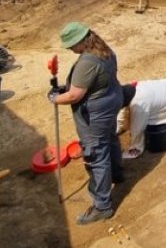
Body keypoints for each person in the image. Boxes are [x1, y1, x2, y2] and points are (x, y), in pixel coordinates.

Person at [49, 22, 124, 225]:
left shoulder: (87, 62)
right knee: (110, 139)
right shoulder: (104, 49)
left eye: (72, 44)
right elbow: (92, 81)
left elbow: (74, 95)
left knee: (96, 154)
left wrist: (55, 98)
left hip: (96, 113)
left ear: (82, 41)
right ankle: (117, 173)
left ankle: (102, 206)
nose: (70, 49)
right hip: (111, 101)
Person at [118, 79, 166, 159]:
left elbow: (137, 129)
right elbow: (121, 113)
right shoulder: (132, 87)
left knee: (144, 125)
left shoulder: (139, 104)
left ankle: (135, 151)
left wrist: (135, 147)